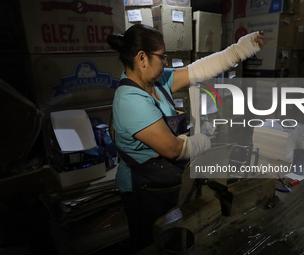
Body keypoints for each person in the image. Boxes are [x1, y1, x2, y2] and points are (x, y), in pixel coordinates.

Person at [107, 24, 264, 253]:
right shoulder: (131, 100)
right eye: (162, 57)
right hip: (144, 189)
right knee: (151, 244)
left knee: (171, 237)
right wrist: (205, 140)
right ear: (142, 58)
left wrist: (239, 50)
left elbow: (199, 69)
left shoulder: (156, 83)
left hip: (165, 182)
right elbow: (172, 149)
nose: (166, 63)